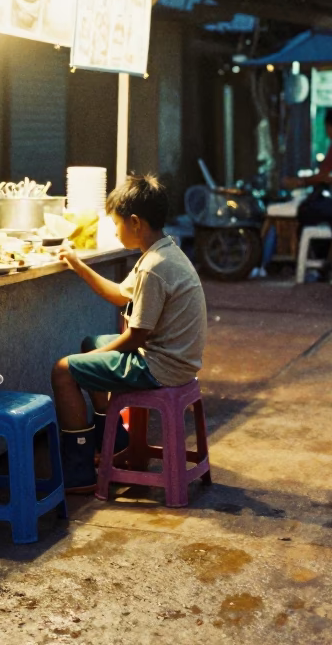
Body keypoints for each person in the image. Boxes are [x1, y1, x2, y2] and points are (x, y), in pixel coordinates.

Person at [51, 174, 207, 493]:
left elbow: (135, 338)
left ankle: (79, 471)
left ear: (135, 223)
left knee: (64, 371)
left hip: (160, 367)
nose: (115, 230)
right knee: (90, 342)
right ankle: (114, 440)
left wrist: (88, 360)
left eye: (116, 223)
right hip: (175, 359)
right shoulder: (163, 252)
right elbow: (121, 296)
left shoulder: (154, 268)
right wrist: (79, 266)